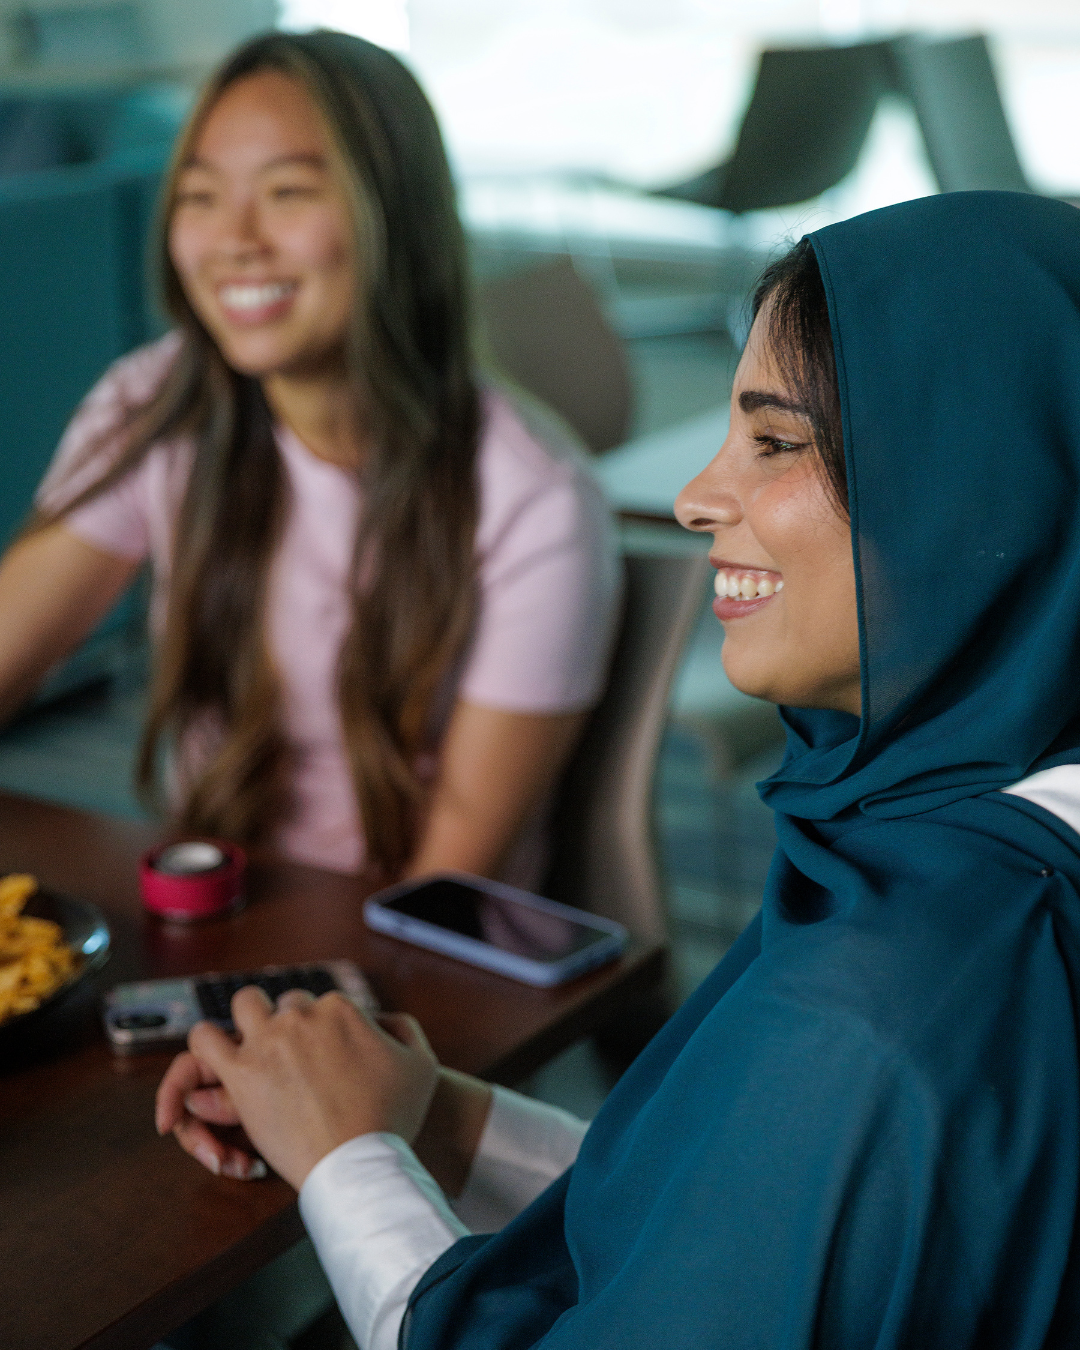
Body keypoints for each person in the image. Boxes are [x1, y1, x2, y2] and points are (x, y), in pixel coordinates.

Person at [158, 188, 1080, 1348]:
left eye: (777, 441)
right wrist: (435, 1122)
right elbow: (760, 1212)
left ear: (980, 486)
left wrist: (346, 1163)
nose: (699, 499)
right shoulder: (988, 848)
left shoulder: (883, 1002)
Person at [0, 30, 619, 885]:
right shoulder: (158, 402)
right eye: (200, 196)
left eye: (286, 192)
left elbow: (445, 885)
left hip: (420, 963)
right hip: (218, 906)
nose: (234, 240)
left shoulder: (535, 498)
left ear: (394, 218)